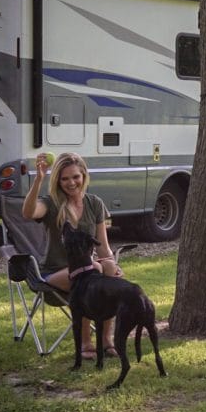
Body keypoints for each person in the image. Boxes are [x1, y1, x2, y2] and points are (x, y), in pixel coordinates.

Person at [22, 152, 123, 359]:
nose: (71, 183)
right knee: (91, 272)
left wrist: (111, 263)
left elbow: (103, 247)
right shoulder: (50, 203)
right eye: (65, 178)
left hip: (87, 270)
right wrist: (39, 179)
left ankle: (106, 340)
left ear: (84, 175)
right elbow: (28, 213)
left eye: (75, 177)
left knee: (108, 270)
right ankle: (86, 344)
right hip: (53, 275)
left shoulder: (94, 203)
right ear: (58, 180)